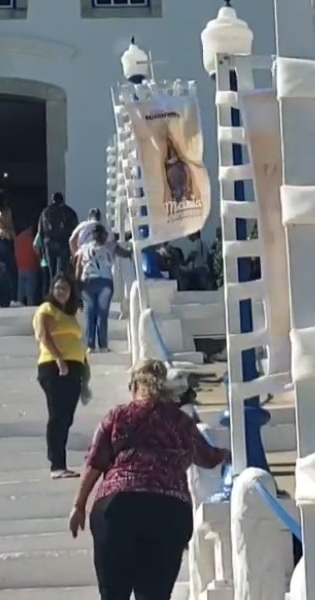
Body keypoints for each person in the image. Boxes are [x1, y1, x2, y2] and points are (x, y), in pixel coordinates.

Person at [69, 359, 228, 600]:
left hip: (116, 508)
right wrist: (228, 454)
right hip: (169, 510)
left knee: (113, 593)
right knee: (154, 595)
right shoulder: (181, 422)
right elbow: (207, 458)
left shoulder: (118, 416)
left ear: (133, 385)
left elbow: (94, 462)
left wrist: (79, 506)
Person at [32, 274, 88, 480]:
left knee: (67, 417)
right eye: (58, 288)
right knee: (57, 416)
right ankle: (56, 464)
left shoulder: (69, 313)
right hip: (54, 366)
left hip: (74, 367)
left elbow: (76, 340)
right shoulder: (46, 309)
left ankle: (61, 463)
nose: (61, 291)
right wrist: (59, 359)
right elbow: (43, 335)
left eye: (65, 288)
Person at [74, 224, 120, 353]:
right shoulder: (109, 248)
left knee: (90, 313)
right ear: (104, 235)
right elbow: (123, 252)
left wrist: (77, 282)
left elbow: (78, 267)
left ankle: (90, 345)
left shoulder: (83, 248)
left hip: (88, 281)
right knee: (102, 314)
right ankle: (103, 345)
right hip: (105, 281)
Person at [35, 194, 80, 283]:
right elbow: (75, 231)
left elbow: (40, 232)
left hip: (49, 244)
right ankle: (60, 291)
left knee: (52, 273)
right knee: (61, 272)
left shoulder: (45, 212)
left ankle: (53, 291)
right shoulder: (70, 212)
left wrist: (43, 251)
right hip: (63, 244)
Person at [14, 223, 40, 308]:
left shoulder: (19, 237)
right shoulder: (33, 238)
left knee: (21, 288)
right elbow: (36, 250)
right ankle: (30, 304)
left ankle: (19, 302)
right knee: (30, 289)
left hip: (20, 265)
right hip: (31, 265)